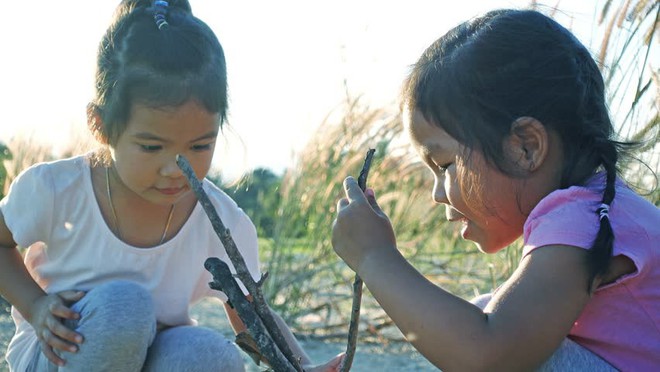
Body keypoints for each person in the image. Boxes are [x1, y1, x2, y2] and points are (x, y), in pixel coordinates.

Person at [0, 1, 343, 371]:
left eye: (199, 146)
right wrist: (36, 306)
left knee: (210, 353)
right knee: (125, 309)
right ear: (100, 125)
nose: (176, 169)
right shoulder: (57, 189)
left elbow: (250, 311)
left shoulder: (221, 220)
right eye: (151, 147)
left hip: (156, 357)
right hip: (61, 352)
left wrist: (300, 366)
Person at [332, 8, 659, 371]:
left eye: (444, 166)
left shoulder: (582, 218)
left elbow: (488, 355)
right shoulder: (596, 208)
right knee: (486, 311)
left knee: (505, 341)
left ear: (526, 147)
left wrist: (374, 256)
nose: (438, 193)